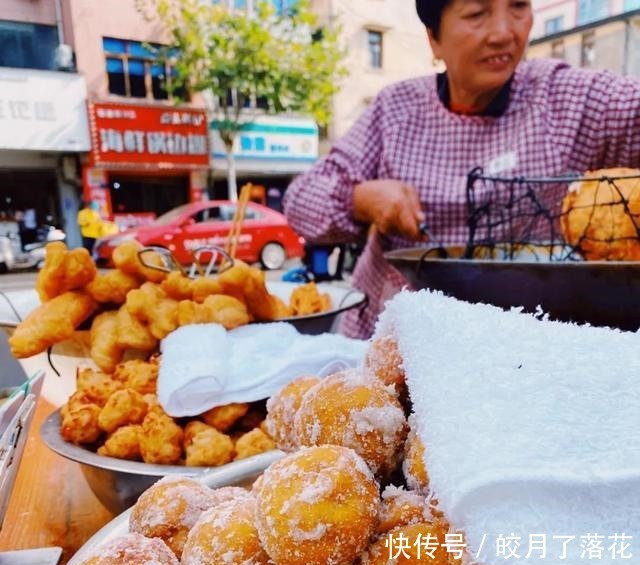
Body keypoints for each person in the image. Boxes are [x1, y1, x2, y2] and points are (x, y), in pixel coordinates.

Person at [283, 0, 640, 339]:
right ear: (434, 38)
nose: (503, 32)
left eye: (518, 6)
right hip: (391, 336)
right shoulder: (395, 110)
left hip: (518, 343)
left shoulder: (566, 99)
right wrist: (361, 199)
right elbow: (301, 202)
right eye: (476, 13)